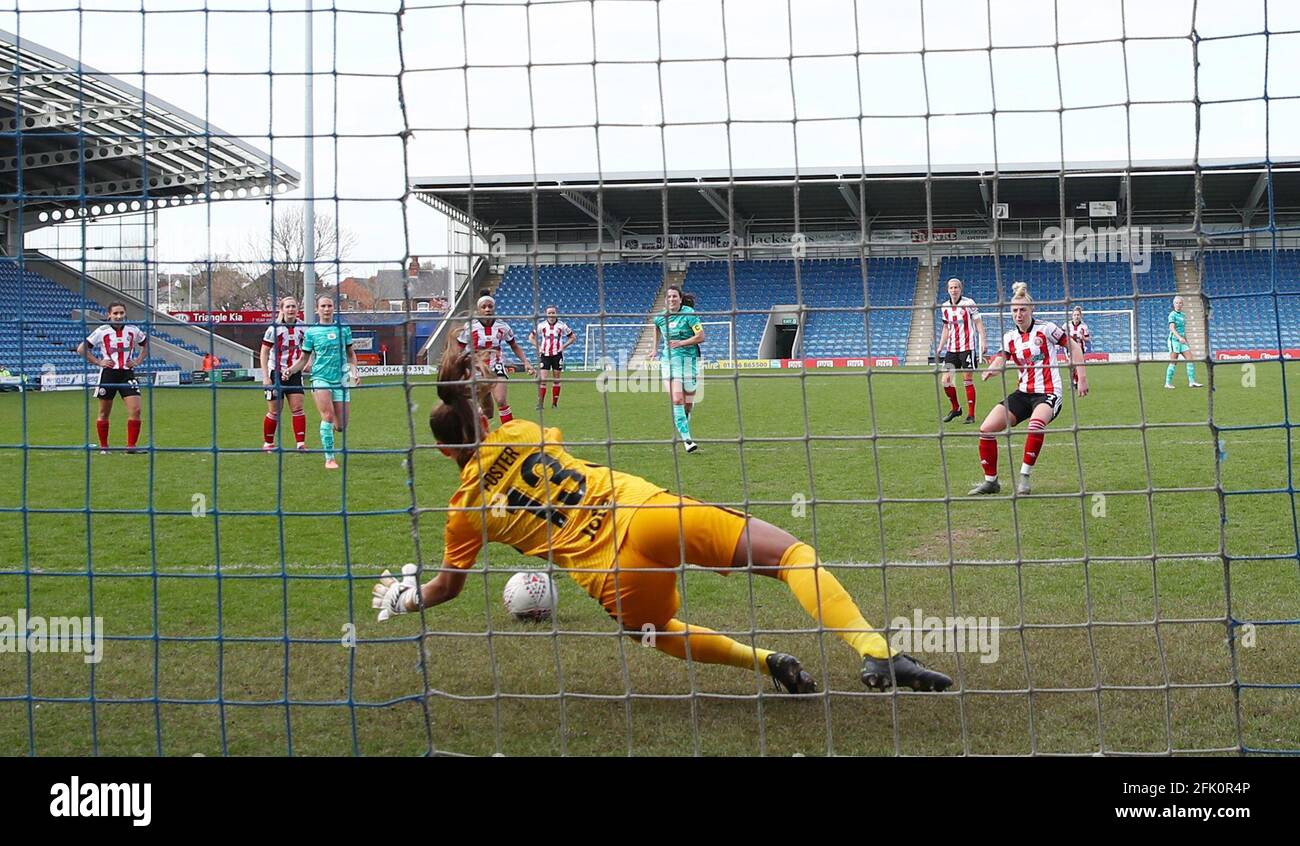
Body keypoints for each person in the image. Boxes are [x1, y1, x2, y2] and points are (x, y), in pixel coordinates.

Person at [370, 347, 954, 694]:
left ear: (446, 453)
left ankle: (768, 663)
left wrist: (405, 599)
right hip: (644, 512)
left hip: (610, 575)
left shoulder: (463, 510)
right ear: (480, 420)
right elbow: (501, 423)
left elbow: (447, 587)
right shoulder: (521, 433)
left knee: (650, 630)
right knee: (789, 556)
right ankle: (875, 649)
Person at [969, 282, 1088, 496]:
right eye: (1014, 310)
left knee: (1036, 424)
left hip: (1049, 392)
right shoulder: (1009, 337)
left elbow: (1075, 347)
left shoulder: (1047, 329)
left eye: (1022, 309)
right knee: (986, 429)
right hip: (1023, 393)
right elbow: (1001, 359)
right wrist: (992, 370)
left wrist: (1082, 376)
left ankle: (1024, 477)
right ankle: (991, 481)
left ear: (1031, 309)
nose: (1018, 314)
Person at [283, 295, 359, 470]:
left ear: (333, 308)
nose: (326, 309)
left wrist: (354, 372)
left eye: (329, 306)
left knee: (341, 426)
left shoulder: (344, 329)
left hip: (341, 379)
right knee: (328, 416)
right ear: (317, 309)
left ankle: (327, 432)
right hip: (320, 378)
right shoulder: (311, 332)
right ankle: (329, 458)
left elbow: (350, 354)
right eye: (323, 306)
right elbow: (304, 358)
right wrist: (291, 370)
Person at [77, 302, 147, 454]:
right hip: (108, 374)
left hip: (127, 374)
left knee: (136, 409)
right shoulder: (102, 331)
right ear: (109, 315)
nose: (119, 316)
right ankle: (104, 447)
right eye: (115, 313)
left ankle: (131, 447)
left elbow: (146, 344)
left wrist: (137, 361)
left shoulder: (133, 330)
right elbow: (81, 349)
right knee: (104, 413)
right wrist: (98, 361)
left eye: (121, 313)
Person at [455, 294, 534, 425]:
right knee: (487, 412)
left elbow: (514, 345)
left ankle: (510, 435)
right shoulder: (469, 327)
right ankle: (481, 434)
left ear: (494, 308)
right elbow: (459, 348)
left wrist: (526, 362)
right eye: (484, 307)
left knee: (501, 400)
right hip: (477, 369)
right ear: (478, 310)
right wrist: (457, 367)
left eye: (490, 306)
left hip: (496, 366)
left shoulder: (503, 326)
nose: (487, 309)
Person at [651, 285, 703, 453]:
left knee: (688, 403)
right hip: (669, 361)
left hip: (689, 361)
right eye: (669, 297)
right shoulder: (660, 317)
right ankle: (687, 439)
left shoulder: (689, 314)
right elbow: (656, 329)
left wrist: (681, 343)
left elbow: (701, 336)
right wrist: (654, 349)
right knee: (677, 399)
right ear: (665, 300)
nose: (672, 299)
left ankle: (684, 419)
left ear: (680, 299)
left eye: (675, 296)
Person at [259, 296, 308, 452]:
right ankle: (268, 444)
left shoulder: (303, 327)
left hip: (294, 373)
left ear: (297, 309)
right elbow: (264, 352)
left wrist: (307, 363)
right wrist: (266, 376)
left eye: (293, 306)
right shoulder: (273, 329)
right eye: (287, 307)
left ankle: (300, 444)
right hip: (275, 374)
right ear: (282, 309)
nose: (291, 309)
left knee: (298, 408)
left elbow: (308, 349)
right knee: (274, 411)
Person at [936, 277, 985, 424]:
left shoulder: (969, 303)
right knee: (946, 380)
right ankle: (956, 408)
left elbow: (978, 323)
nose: (953, 290)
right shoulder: (944, 307)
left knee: (967, 380)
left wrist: (983, 340)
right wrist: (940, 346)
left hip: (967, 348)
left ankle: (971, 415)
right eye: (951, 288)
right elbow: (946, 328)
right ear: (947, 290)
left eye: (956, 287)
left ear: (960, 289)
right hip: (952, 349)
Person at [529, 305, 575, 410]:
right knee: (543, 380)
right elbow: (531, 337)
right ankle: (540, 404)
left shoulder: (562, 326)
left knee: (556, 380)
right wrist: (539, 347)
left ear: (556, 313)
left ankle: (554, 404)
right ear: (546, 314)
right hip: (545, 355)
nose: (551, 315)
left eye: (553, 313)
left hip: (557, 355)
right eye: (549, 313)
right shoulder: (541, 326)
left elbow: (573, 337)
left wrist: (564, 346)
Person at [1165, 296, 1202, 389]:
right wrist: (1179, 338)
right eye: (1176, 303)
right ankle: (1167, 383)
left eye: (1180, 303)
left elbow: (1183, 330)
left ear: (1182, 304)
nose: (1178, 304)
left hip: (1182, 341)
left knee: (1190, 359)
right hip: (1174, 341)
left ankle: (1192, 382)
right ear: (1174, 304)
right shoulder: (1172, 314)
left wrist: (1185, 340)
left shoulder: (1183, 315)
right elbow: (1172, 328)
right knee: (1174, 361)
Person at [1066, 306, 1091, 393]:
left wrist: (1083, 337)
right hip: (1069, 349)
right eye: (1075, 315)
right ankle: (1073, 382)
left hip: (1080, 350)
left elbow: (1088, 339)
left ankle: (1077, 382)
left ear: (1081, 316)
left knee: (1078, 367)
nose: (1076, 316)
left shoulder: (1084, 326)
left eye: (1078, 315)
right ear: (1072, 316)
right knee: (1071, 366)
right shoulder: (1066, 325)